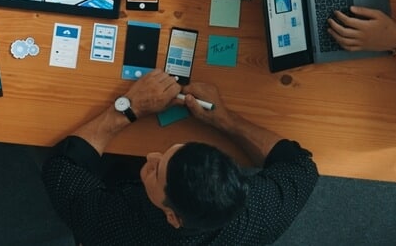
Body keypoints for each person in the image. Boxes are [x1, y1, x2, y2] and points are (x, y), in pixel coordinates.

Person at [42, 70, 318, 245]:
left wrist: (128, 108)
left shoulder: (113, 225)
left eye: (156, 171)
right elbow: (300, 164)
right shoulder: (262, 211)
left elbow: (62, 167)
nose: (151, 155)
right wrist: (226, 120)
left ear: (173, 217)